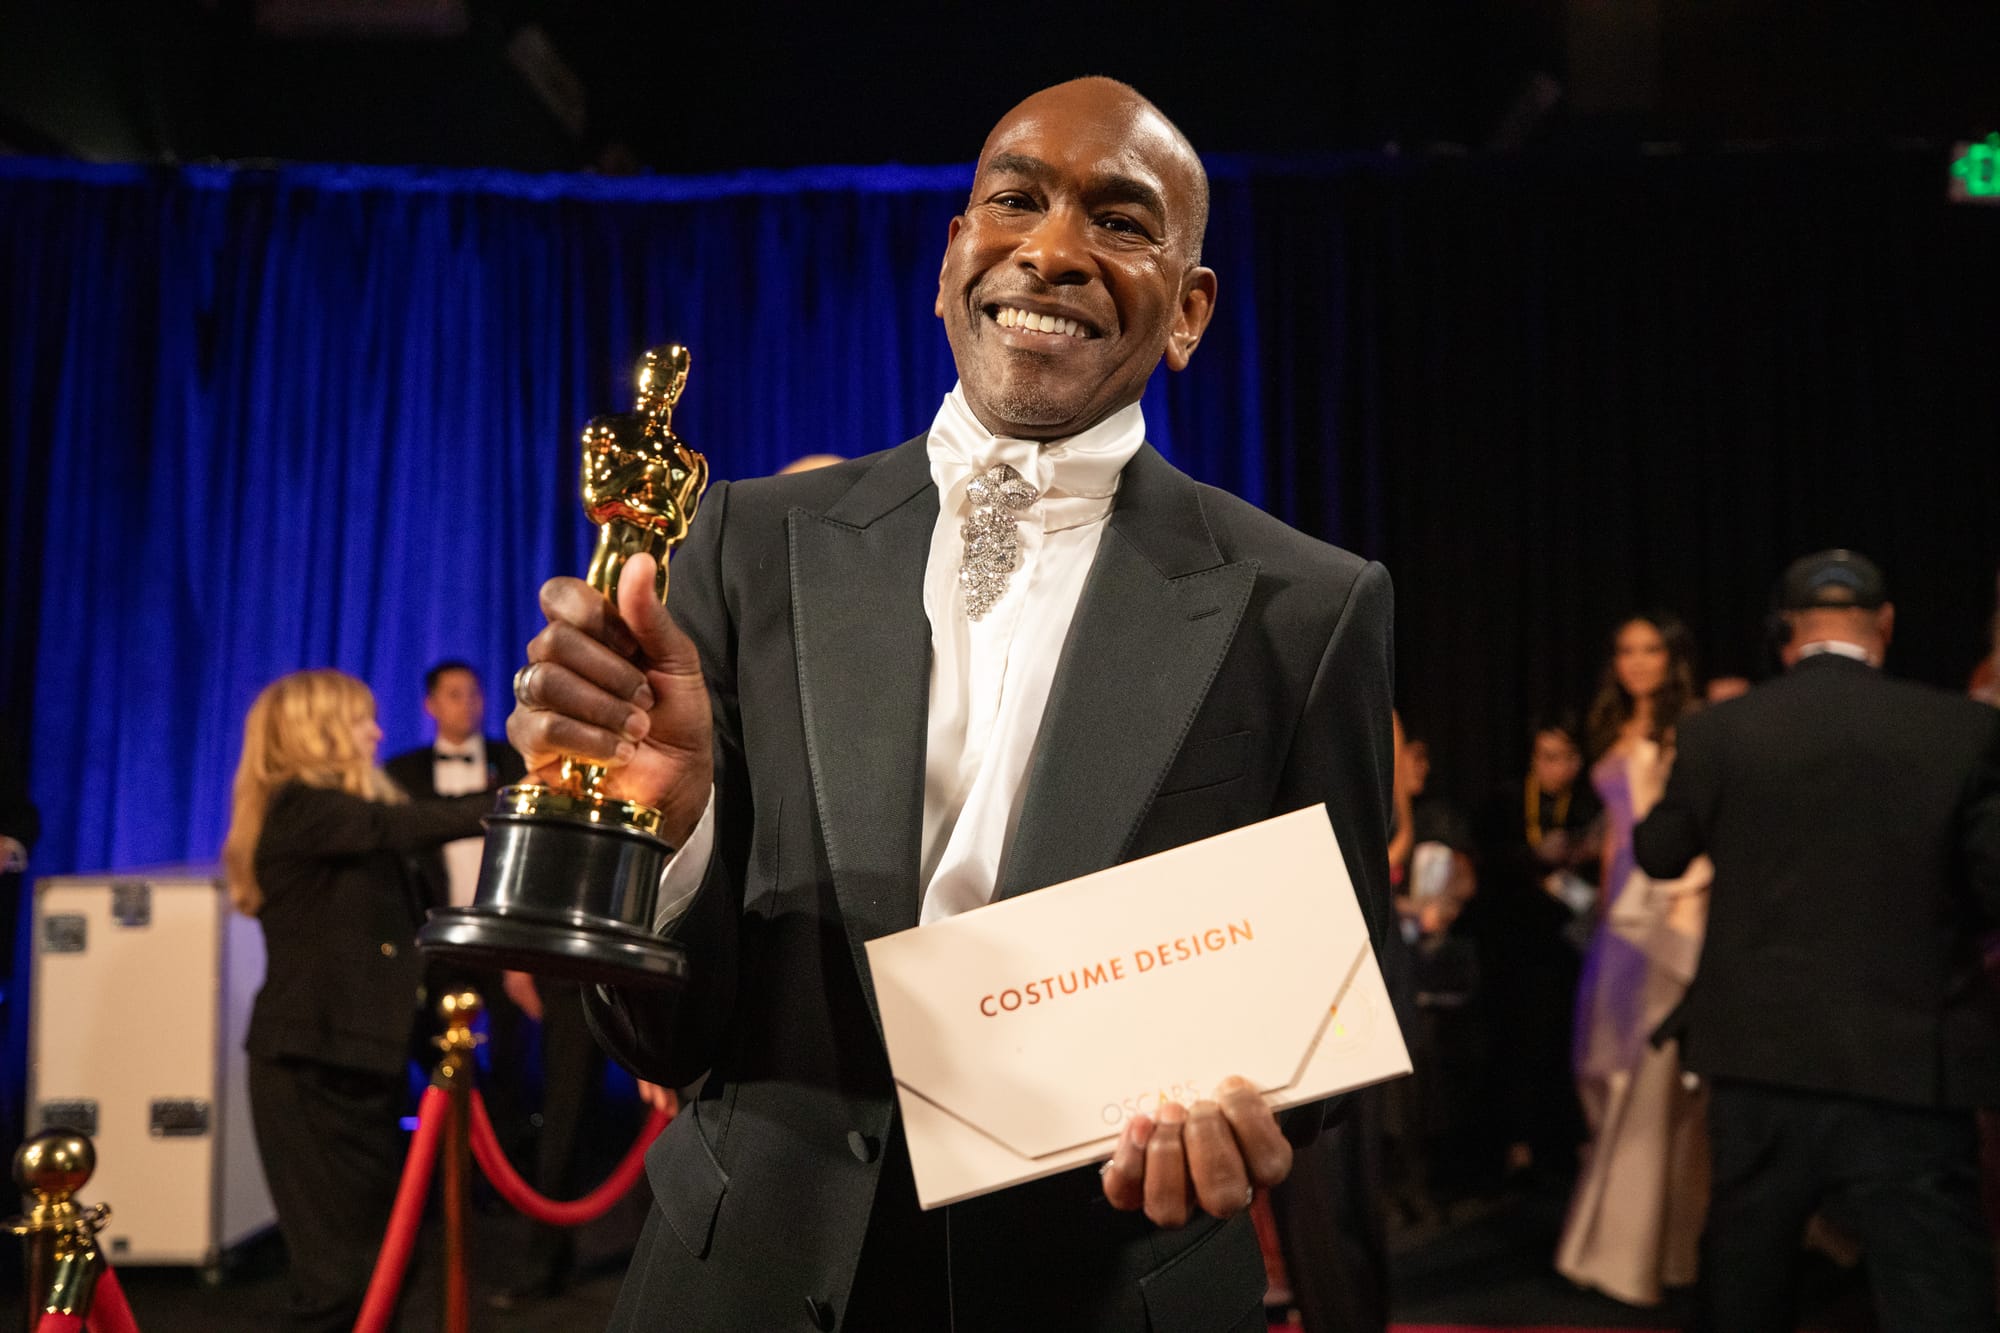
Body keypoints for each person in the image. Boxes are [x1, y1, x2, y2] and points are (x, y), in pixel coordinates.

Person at [506, 77, 1397, 1332]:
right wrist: (674, 831)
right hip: (741, 1279)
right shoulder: (745, 543)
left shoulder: (1309, 606)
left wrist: (1251, 1105)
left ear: (1189, 311)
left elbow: (1334, 996)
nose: (1053, 248)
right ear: (949, 263)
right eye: (1015, 200)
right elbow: (666, 1037)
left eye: (1120, 221)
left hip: (1098, 1291)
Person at [1635, 550, 2000, 1332]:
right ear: (1886, 624)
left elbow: (1659, 852)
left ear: (1788, 630)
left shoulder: (1720, 730)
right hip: (1911, 1064)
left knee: (1745, 1292)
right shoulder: (1964, 729)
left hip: (1759, 1062)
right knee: (1937, 1297)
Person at [223, 669, 489, 1332]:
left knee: (384, 1272)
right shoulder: (300, 807)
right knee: (338, 1283)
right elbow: (407, 823)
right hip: (310, 1067)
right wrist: (522, 801)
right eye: (360, 720)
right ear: (315, 732)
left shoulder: (347, 819)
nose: (377, 732)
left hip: (364, 1063)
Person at [1555, 612, 1711, 1306]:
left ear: (1672, 657)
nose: (1637, 661)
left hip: (1663, 910)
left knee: (1654, 1077)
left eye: (1651, 649)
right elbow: (1619, 831)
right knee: (1602, 1064)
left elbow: (1685, 828)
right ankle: (1641, 1243)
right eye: (1626, 649)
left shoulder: (1688, 727)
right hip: (1616, 915)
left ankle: (1649, 1250)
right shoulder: (1615, 727)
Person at [1466, 714, 1602, 1183]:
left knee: (1564, 1041)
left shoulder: (1588, 807)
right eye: (1545, 757)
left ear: (1578, 761)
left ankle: (1565, 1144)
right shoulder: (1505, 802)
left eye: (1563, 758)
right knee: (1513, 1041)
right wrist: (1534, 857)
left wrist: (1580, 854)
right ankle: (1514, 1144)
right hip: (1512, 944)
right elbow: (1484, 861)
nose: (1553, 768)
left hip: (1569, 945)